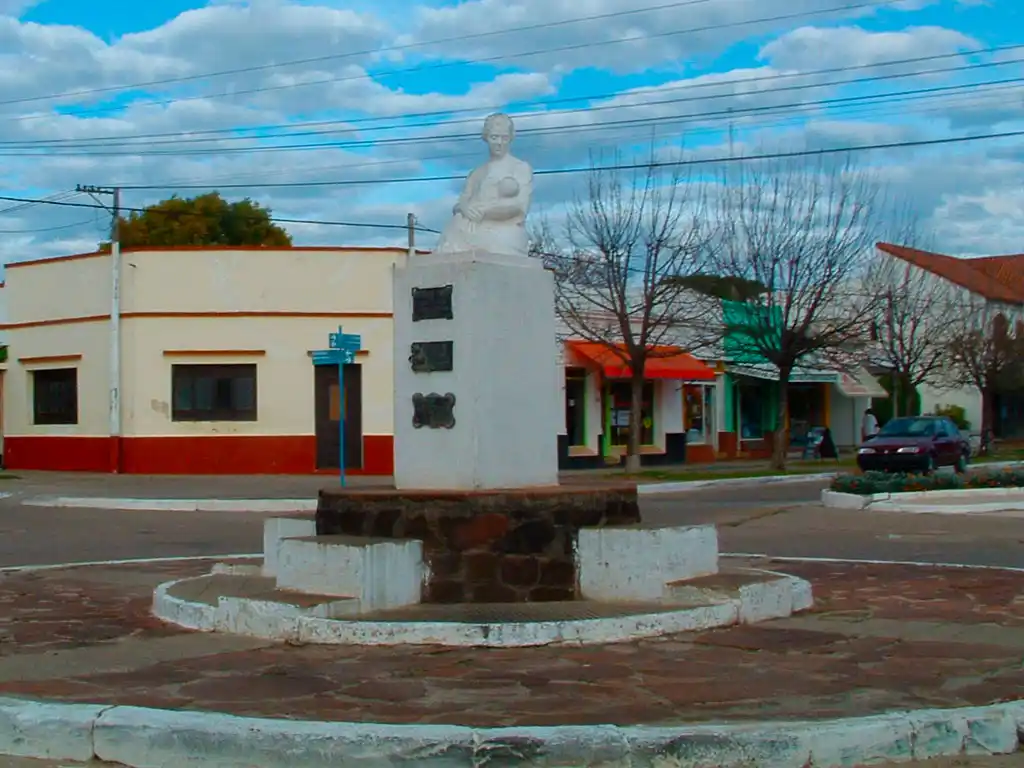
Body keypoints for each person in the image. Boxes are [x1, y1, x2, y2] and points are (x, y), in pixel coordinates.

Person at [434, 113, 533, 258]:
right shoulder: (476, 173)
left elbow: (520, 208)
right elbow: (460, 203)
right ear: (486, 137)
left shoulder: (520, 167)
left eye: (504, 138)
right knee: (449, 242)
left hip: (503, 231)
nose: (499, 143)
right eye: (494, 137)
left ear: (511, 138)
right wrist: (465, 208)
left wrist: (485, 212)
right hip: (467, 226)